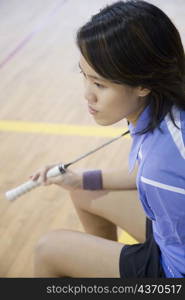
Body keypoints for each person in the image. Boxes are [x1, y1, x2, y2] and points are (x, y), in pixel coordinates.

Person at [32, 0, 185, 278]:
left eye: (100, 84)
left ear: (142, 84)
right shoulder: (168, 106)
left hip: (174, 271)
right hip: (171, 236)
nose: (87, 95)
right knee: (83, 192)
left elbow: (158, 177)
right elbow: (154, 176)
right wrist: (80, 180)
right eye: (85, 77)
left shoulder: (161, 169)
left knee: (47, 250)